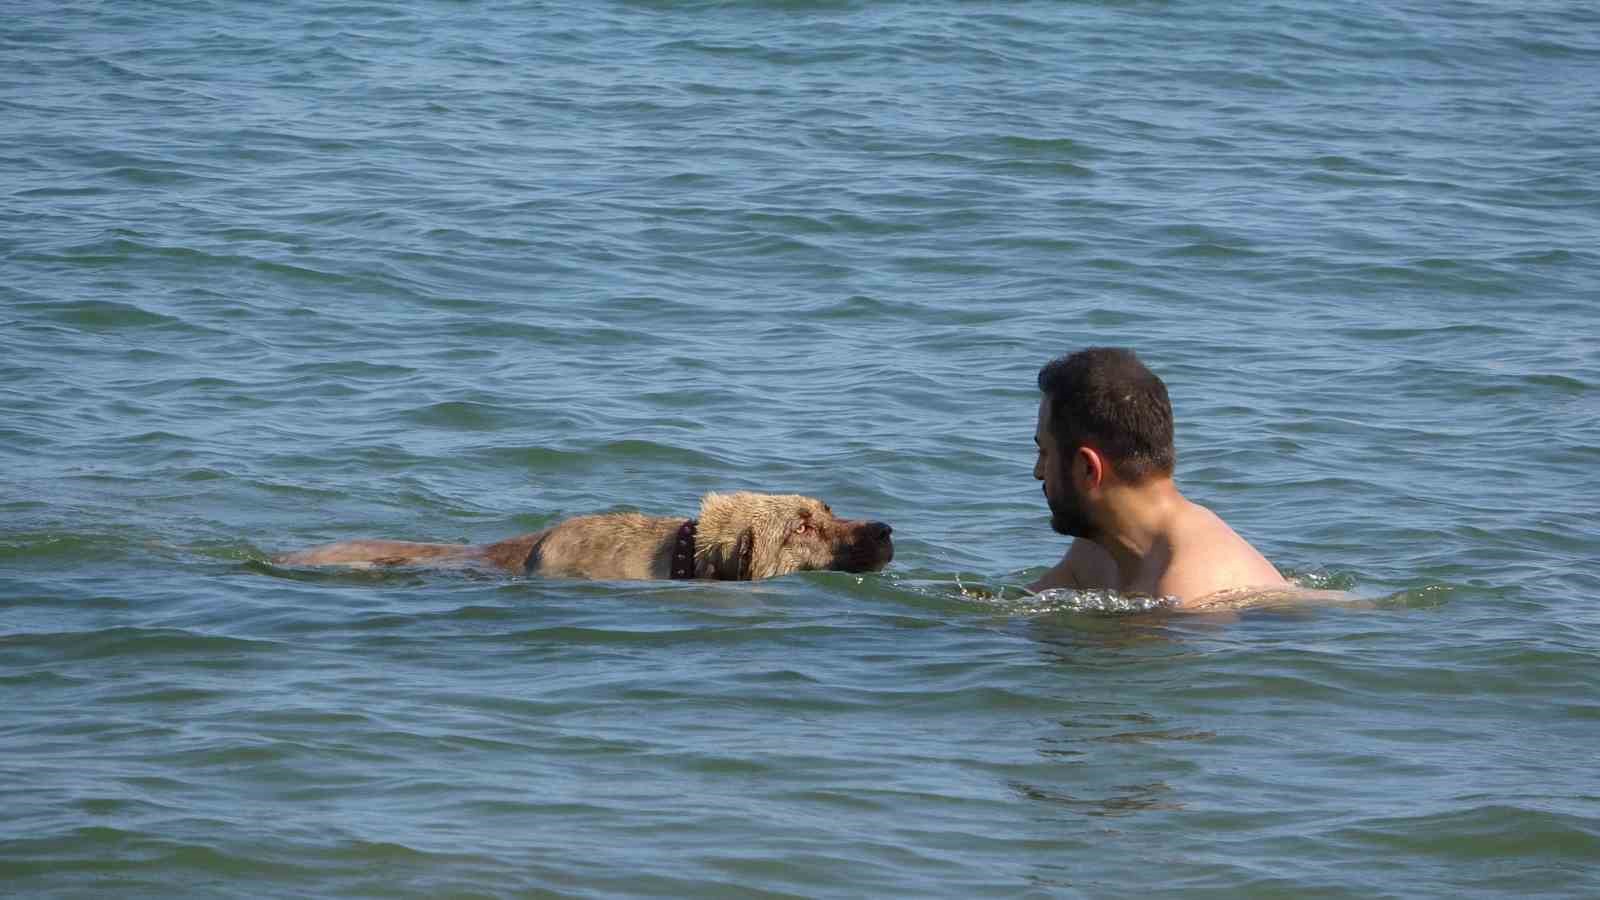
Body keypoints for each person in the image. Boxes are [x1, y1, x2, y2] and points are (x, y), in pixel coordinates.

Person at [1029, 347, 1289, 605]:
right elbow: (1022, 606)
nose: (1038, 472)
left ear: (1088, 468)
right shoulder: (1099, 548)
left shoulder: (1187, 595)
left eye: (1045, 453)